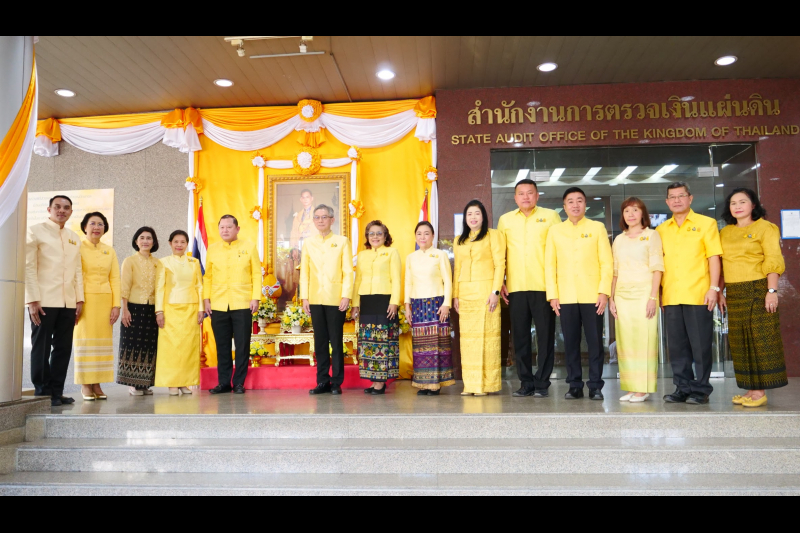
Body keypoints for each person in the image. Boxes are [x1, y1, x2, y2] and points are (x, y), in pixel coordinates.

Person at [719, 188, 787, 407]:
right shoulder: (725, 232)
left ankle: (760, 392)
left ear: (753, 205)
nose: (737, 206)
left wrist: (772, 291)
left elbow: (773, 259)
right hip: (735, 291)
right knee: (740, 341)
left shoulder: (766, 228)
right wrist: (720, 291)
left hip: (759, 288)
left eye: (742, 202)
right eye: (733, 203)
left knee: (760, 339)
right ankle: (750, 389)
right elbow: (721, 265)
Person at [657, 181, 723, 405]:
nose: (676, 200)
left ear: (690, 198)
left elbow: (714, 257)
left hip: (699, 294)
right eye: (672, 197)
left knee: (700, 345)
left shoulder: (706, 224)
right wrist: (658, 294)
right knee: (677, 347)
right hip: (672, 296)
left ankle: (701, 389)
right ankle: (682, 387)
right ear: (667, 202)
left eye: (681, 196)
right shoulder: (661, 230)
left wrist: (714, 288)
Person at [545, 187, 613, 401]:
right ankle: (574, 385)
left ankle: (595, 386)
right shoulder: (555, 231)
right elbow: (550, 265)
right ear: (564, 207)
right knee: (571, 343)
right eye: (571, 201)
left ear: (586, 205)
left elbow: (606, 262)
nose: (575, 205)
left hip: (592, 295)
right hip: (565, 296)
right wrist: (553, 295)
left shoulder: (597, 227)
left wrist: (603, 292)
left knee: (594, 342)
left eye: (580, 201)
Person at [497, 178, 560, 398]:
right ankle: (525, 382)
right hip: (515, 287)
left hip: (544, 286)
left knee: (545, 336)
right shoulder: (505, 220)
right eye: (521, 193)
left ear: (537, 195)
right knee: (520, 337)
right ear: (515, 197)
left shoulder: (551, 217)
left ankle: (542, 382)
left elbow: (558, 250)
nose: (526, 197)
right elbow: (500, 254)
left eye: (530, 193)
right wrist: (501, 281)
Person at [25, 195, 84, 407]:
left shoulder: (73, 237)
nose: (62, 210)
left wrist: (79, 299)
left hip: (68, 302)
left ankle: (57, 392)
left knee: (63, 347)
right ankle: (43, 392)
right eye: (57, 207)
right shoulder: (35, 231)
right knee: (41, 346)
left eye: (66, 208)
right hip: (43, 300)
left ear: (70, 212)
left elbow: (77, 270)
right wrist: (32, 299)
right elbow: (28, 267)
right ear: (48, 209)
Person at [609, 198, 664, 403]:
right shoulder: (619, 239)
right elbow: (614, 272)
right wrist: (611, 298)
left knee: (644, 341)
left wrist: (653, 297)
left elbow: (657, 268)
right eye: (626, 211)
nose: (630, 214)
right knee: (625, 342)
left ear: (643, 213)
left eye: (635, 210)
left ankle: (643, 388)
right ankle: (632, 386)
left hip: (644, 294)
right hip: (622, 296)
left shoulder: (652, 236)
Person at [453, 199, 505, 396]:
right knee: (468, 341)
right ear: (465, 218)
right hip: (465, 295)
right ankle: (471, 385)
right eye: (469, 214)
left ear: (483, 216)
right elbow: (457, 268)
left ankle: (486, 385)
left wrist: (495, 291)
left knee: (486, 338)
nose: (473, 217)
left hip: (486, 292)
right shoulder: (460, 240)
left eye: (477, 213)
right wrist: (455, 295)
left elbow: (500, 264)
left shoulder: (494, 235)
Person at [204, 215, 261, 395]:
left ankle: (238, 383)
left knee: (242, 345)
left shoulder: (249, 247)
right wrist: (206, 299)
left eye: (229, 227)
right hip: (218, 303)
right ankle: (223, 382)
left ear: (237, 229)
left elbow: (256, 275)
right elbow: (208, 277)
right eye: (222, 227)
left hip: (242, 302)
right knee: (222, 345)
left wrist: (255, 297)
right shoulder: (212, 249)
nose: (225, 230)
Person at [301, 205, 353, 395]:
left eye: (324, 217)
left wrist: (346, 295)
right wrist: (304, 297)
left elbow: (348, 271)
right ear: (313, 221)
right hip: (315, 297)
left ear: (332, 220)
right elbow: (304, 273)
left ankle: (337, 382)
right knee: (320, 340)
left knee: (336, 341)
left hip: (335, 298)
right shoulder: (308, 243)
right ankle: (322, 380)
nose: (321, 220)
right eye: (317, 217)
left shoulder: (342, 241)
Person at [405, 221, 455, 396]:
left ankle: (436, 384)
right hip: (418, 305)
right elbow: (408, 282)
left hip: (437, 303)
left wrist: (446, 304)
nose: (423, 237)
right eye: (419, 233)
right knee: (421, 346)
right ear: (415, 236)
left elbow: (448, 280)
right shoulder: (411, 257)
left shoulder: (440, 255)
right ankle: (423, 383)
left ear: (433, 236)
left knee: (437, 345)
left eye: (426, 233)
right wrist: (407, 306)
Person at [74, 212, 120, 401]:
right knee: (85, 341)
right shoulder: (77, 248)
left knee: (103, 343)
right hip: (84, 301)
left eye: (100, 224)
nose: (96, 227)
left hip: (105, 301)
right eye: (92, 223)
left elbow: (115, 278)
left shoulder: (109, 250)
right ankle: (86, 384)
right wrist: (77, 300)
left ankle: (97, 384)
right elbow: (75, 276)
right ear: (85, 226)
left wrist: (116, 305)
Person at [352, 220, 402, 395]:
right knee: (368, 341)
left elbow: (396, 279)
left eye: (379, 233)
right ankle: (374, 380)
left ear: (385, 236)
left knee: (382, 341)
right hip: (366, 300)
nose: (375, 236)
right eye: (371, 233)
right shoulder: (362, 255)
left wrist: (394, 302)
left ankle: (381, 382)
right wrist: (355, 304)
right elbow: (357, 280)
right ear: (367, 236)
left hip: (385, 300)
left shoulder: (391, 252)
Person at [154, 230, 204, 395]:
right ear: (170, 243)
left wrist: (201, 309)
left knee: (188, 346)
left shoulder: (194, 262)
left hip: (191, 308)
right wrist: (159, 311)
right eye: (176, 241)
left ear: (187, 244)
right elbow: (159, 288)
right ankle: (173, 383)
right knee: (172, 347)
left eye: (183, 242)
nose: (179, 245)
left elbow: (199, 286)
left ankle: (185, 382)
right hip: (171, 308)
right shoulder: (163, 262)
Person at [117, 227, 160, 396]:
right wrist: (125, 309)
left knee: (149, 346)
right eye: (141, 238)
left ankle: (145, 383)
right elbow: (125, 287)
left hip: (152, 309)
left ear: (154, 242)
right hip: (134, 308)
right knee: (132, 344)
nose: (145, 241)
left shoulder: (158, 263)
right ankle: (133, 384)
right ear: (136, 241)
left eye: (149, 238)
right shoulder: (130, 261)